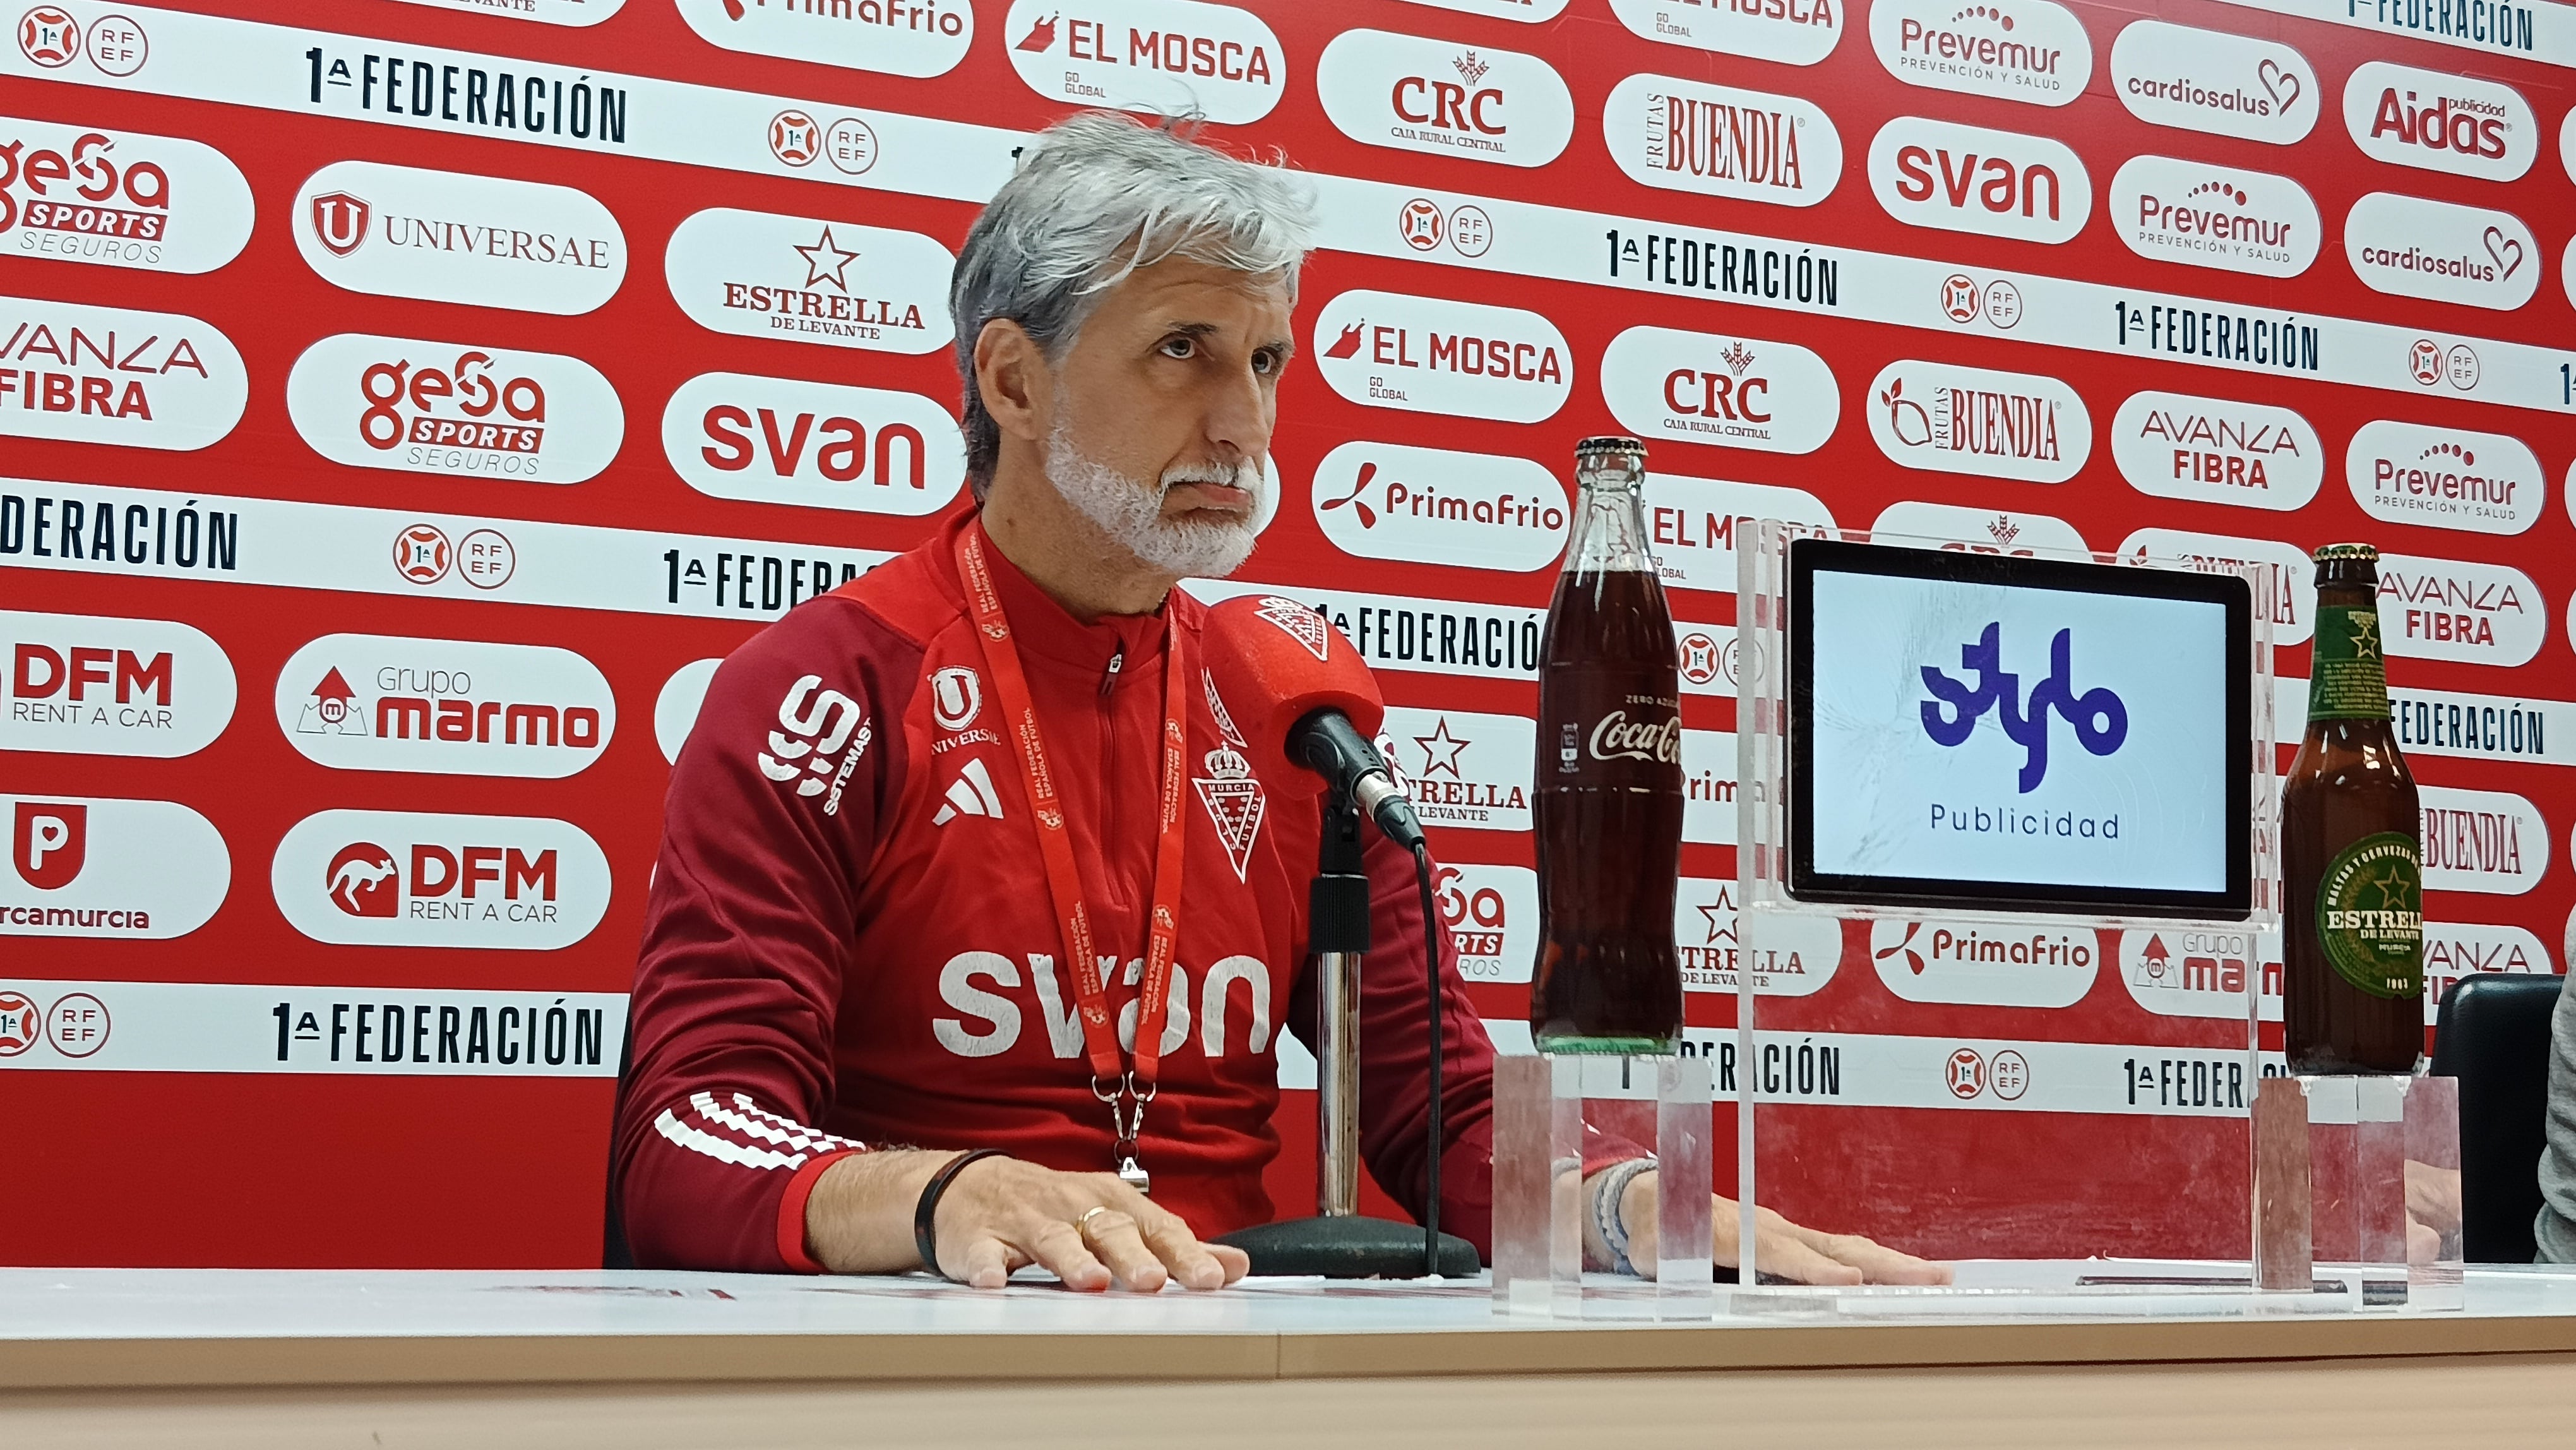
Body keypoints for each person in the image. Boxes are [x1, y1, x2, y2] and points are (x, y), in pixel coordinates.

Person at [612, 111, 1947, 1292]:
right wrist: (948, 1189)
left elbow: (1438, 1103)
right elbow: (688, 1128)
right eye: (1182, 350)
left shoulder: (1294, 708)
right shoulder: (828, 684)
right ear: (1014, 381)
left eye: (1263, 361)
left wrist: (1626, 1202)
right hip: (937, 1341)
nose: (1242, 421)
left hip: (1226, 1344)